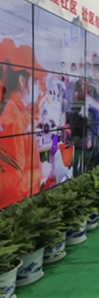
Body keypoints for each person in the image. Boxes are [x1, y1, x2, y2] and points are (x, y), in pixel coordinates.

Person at [0, 62, 43, 209]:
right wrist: (40, 172)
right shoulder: (13, 117)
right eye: (35, 82)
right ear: (22, 81)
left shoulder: (18, 110)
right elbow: (13, 182)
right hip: (19, 206)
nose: (38, 88)